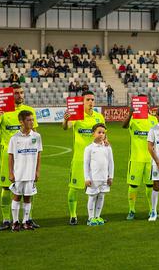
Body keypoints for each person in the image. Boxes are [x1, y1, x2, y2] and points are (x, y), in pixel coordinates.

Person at [0, 84, 40, 230]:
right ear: (10, 95)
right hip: (8, 155)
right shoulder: (3, 111)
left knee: (29, 187)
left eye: (21, 92)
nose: (20, 95)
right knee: (6, 187)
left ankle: (27, 219)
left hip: (28, 155)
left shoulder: (29, 110)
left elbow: (34, 132)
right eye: (16, 93)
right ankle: (6, 219)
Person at [63, 91, 106, 225]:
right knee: (74, 187)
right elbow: (66, 127)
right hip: (80, 158)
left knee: (97, 189)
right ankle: (73, 215)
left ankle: (94, 216)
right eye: (88, 99)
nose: (91, 102)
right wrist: (66, 119)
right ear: (82, 101)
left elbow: (104, 134)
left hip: (97, 160)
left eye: (92, 99)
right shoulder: (77, 115)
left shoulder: (99, 117)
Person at [122, 99, 159, 220]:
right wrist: (131, 113)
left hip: (150, 159)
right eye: (142, 104)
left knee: (150, 186)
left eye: (146, 103)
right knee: (133, 185)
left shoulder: (153, 119)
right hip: (136, 159)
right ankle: (131, 210)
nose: (145, 106)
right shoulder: (133, 118)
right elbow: (124, 126)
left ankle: (152, 210)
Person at [7, 110, 42, 231]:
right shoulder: (14, 138)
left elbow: (38, 154)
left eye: (33, 119)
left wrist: (37, 171)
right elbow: (10, 156)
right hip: (19, 173)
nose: (32, 122)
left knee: (28, 197)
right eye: (29, 120)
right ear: (21, 122)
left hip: (31, 173)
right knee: (16, 196)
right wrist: (11, 172)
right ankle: (15, 222)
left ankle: (25, 221)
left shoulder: (37, 136)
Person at [83, 123, 113, 226]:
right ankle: (90, 218)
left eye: (103, 133)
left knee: (101, 196)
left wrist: (111, 176)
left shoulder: (108, 148)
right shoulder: (89, 148)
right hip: (93, 178)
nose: (101, 134)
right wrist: (87, 178)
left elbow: (111, 163)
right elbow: (86, 164)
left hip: (104, 178)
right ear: (93, 134)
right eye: (99, 132)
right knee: (92, 197)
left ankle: (97, 216)